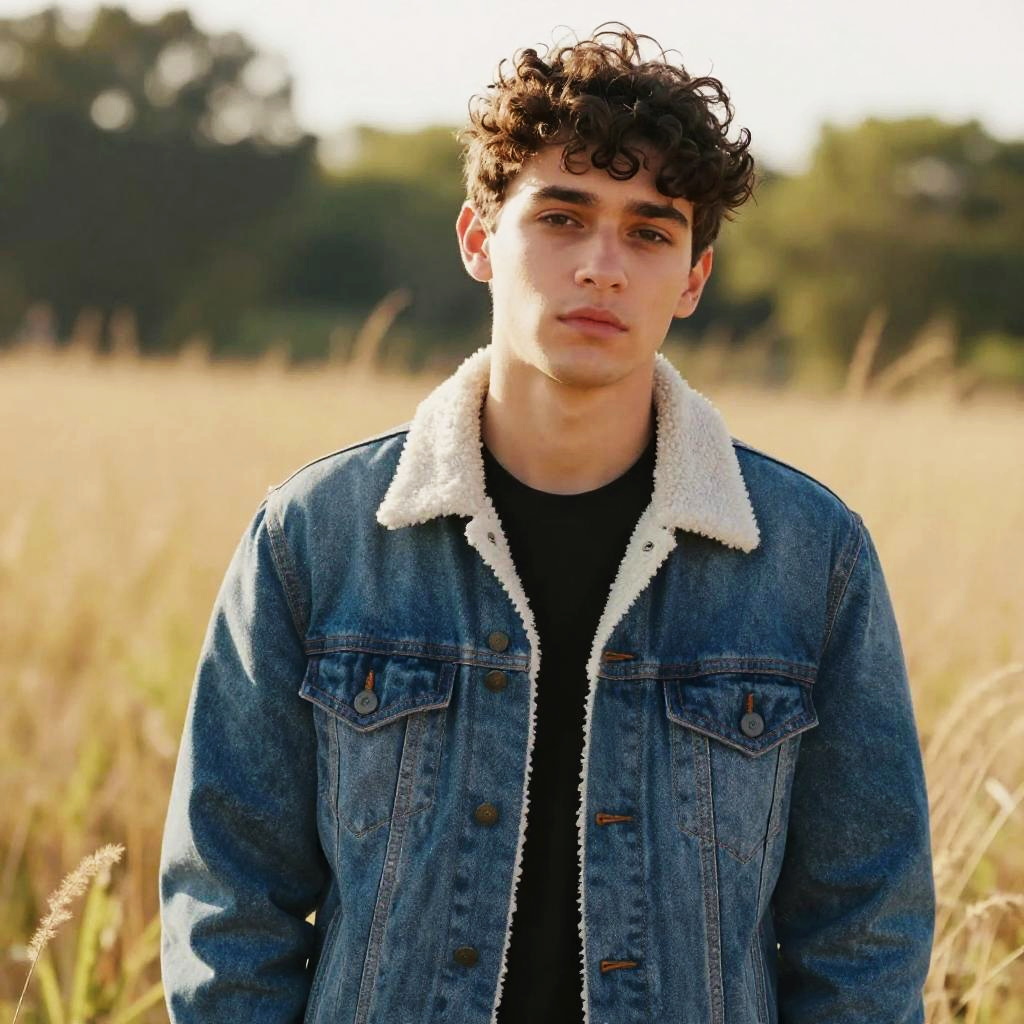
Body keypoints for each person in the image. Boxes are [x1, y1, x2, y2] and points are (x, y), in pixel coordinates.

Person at [159, 24, 935, 1024]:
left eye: (650, 231)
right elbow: (229, 900)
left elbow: (862, 926)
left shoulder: (805, 554)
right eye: (562, 217)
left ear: (692, 279)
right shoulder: (317, 536)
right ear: (480, 239)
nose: (603, 266)